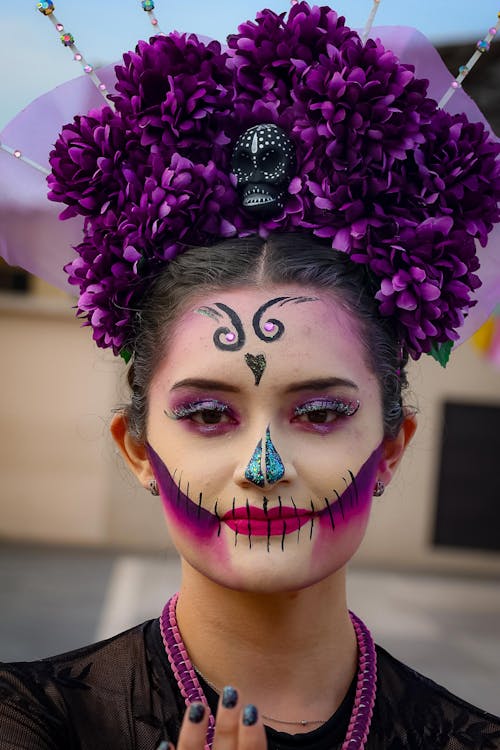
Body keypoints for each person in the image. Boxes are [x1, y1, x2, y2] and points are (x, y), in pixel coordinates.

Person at [1, 3, 500, 749]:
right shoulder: (28, 721)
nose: (263, 468)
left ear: (393, 444)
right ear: (138, 448)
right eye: (208, 414)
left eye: (321, 413)